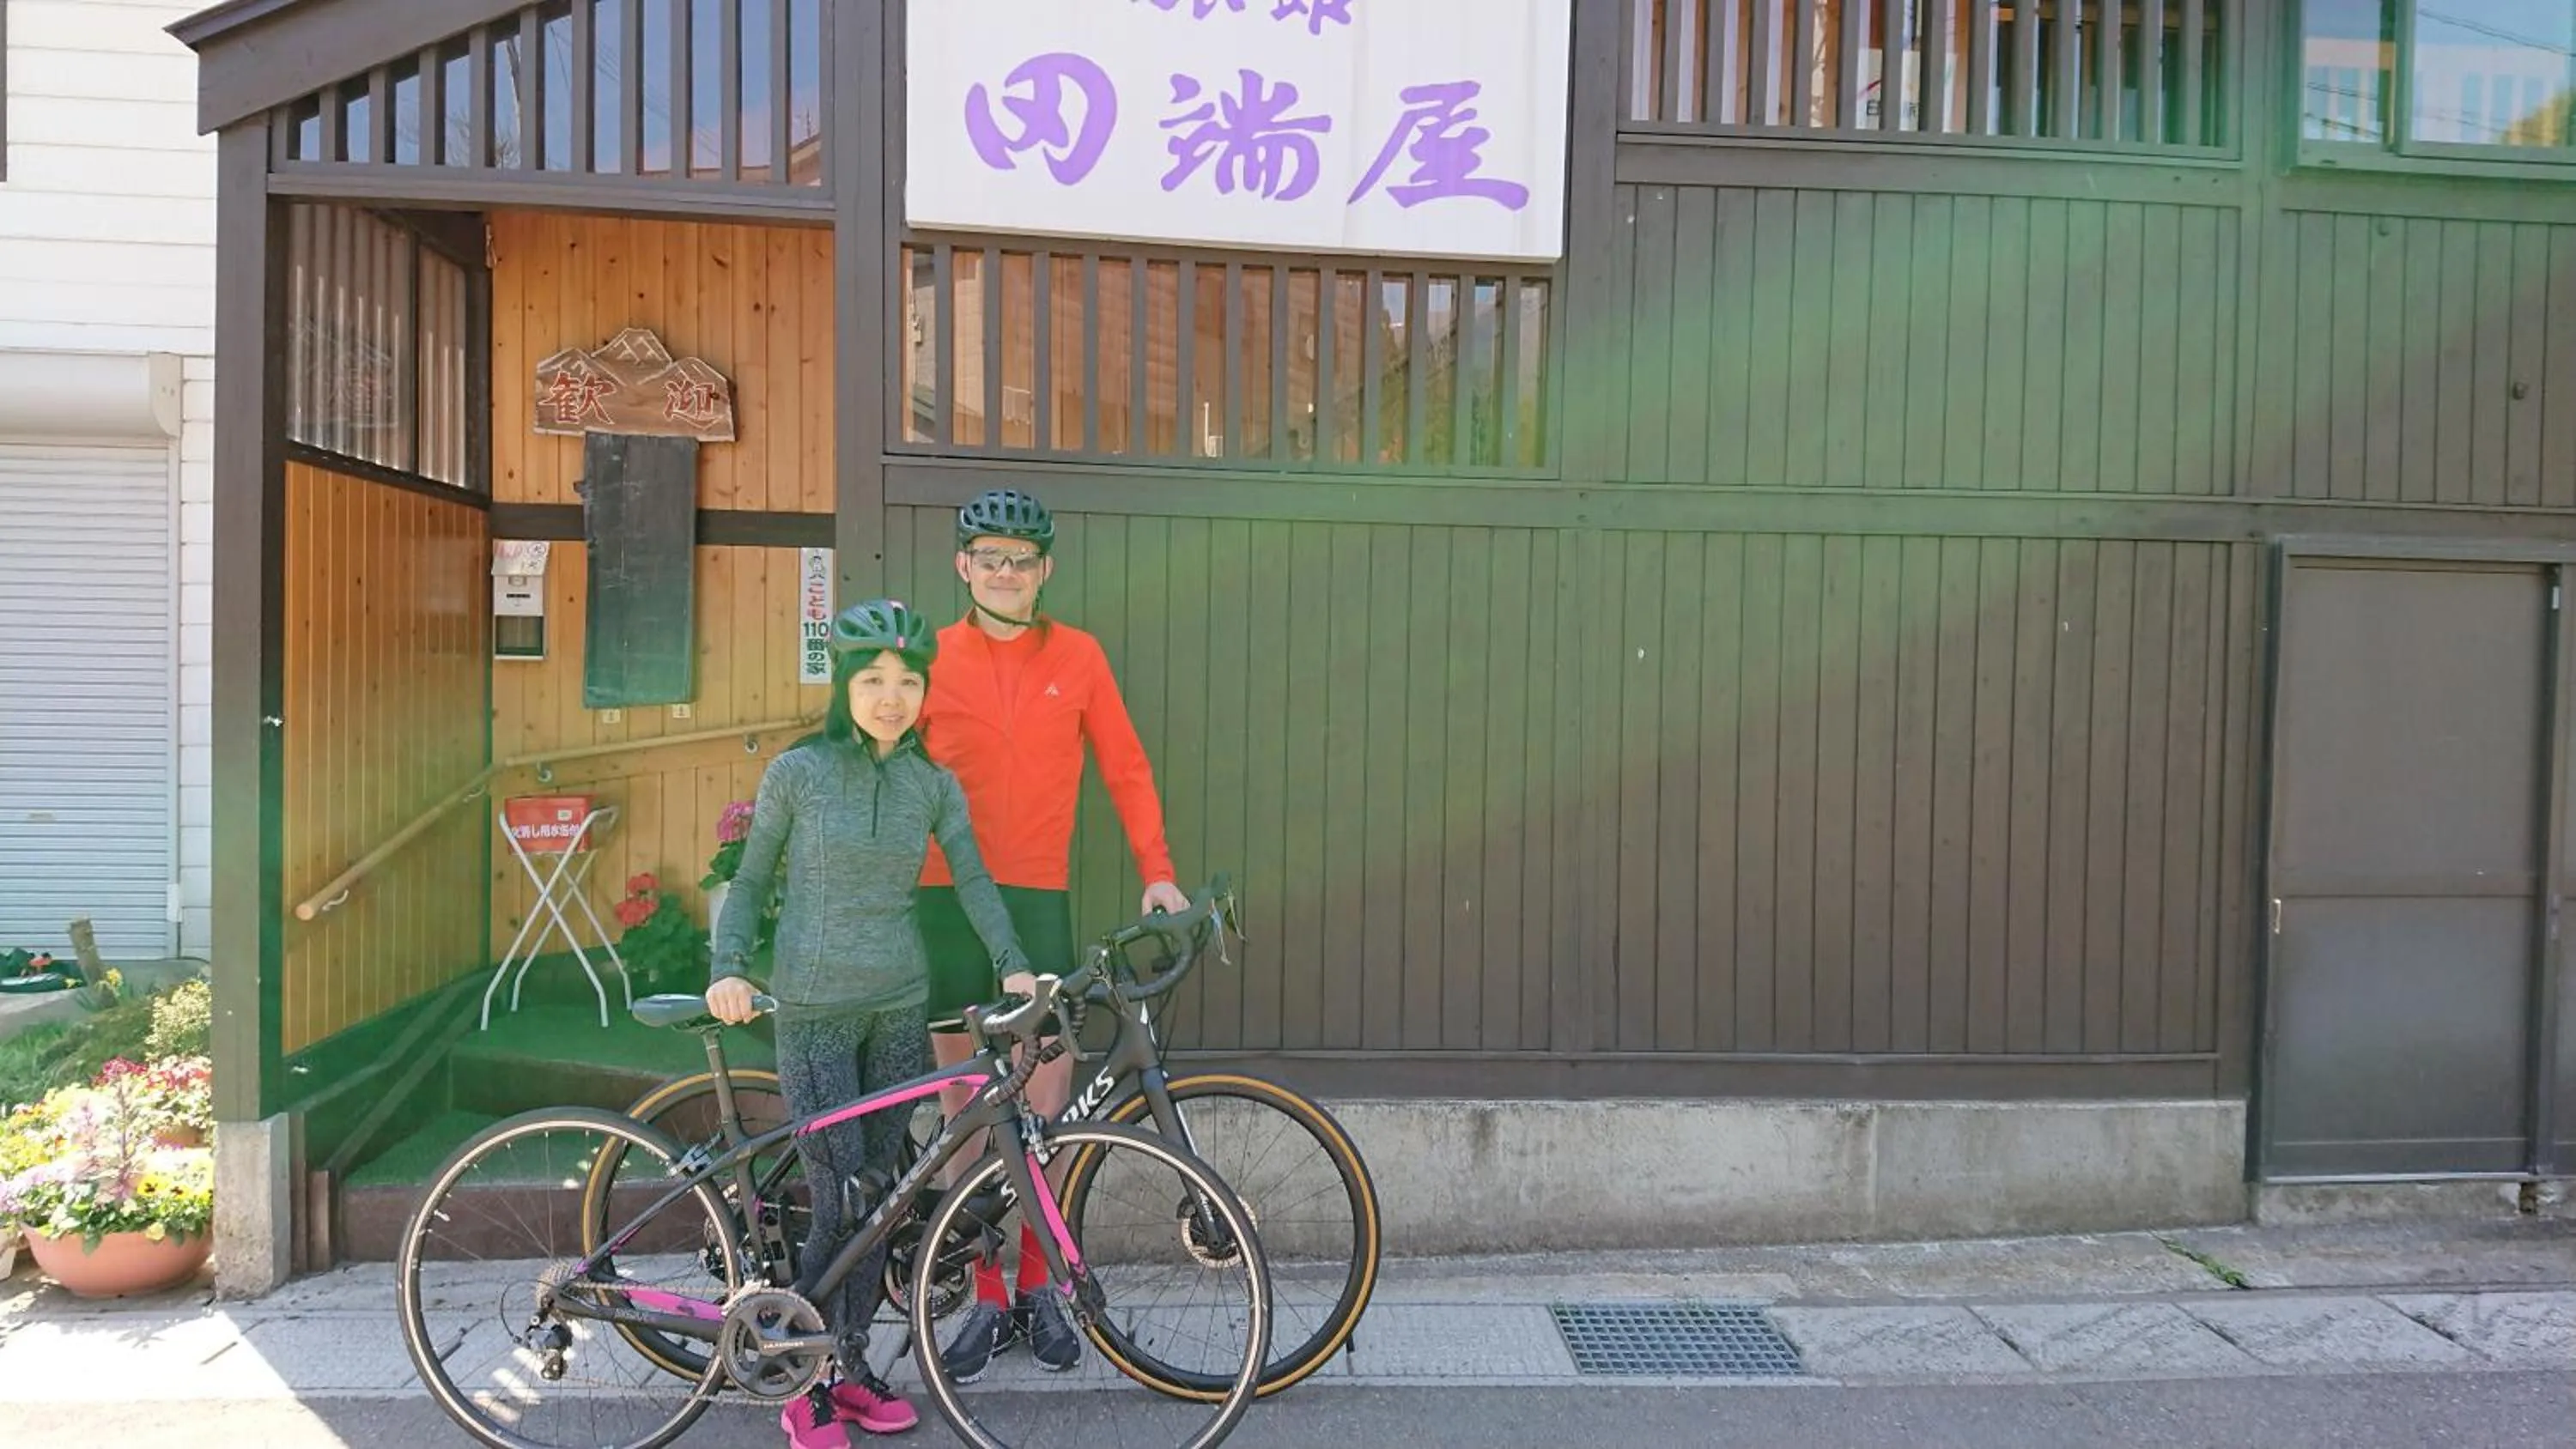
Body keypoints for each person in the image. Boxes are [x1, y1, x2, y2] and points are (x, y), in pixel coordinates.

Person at [707, 598, 1034, 1447]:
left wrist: (1013, 961)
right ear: (846, 684)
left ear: (924, 690)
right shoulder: (799, 771)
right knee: (839, 1192)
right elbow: (748, 882)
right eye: (874, 678)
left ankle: (848, 1368)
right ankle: (803, 1383)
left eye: (907, 680)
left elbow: (974, 880)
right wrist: (729, 966)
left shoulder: (932, 782)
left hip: (896, 1008)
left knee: (881, 1201)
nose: (892, 695)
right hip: (814, 1008)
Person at [915, 488, 1190, 1381]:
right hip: (942, 899)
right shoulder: (924, 656)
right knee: (965, 1116)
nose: (1006, 571)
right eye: (989, 556)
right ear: (963, 565)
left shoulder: (1079, 654)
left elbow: (1126, 763)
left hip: (1037, 903)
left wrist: (1157, 866)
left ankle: (1040, 1286)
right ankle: (987, 1295)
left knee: (1041, 1108)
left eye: (1022, 559)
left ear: (1046, 570)